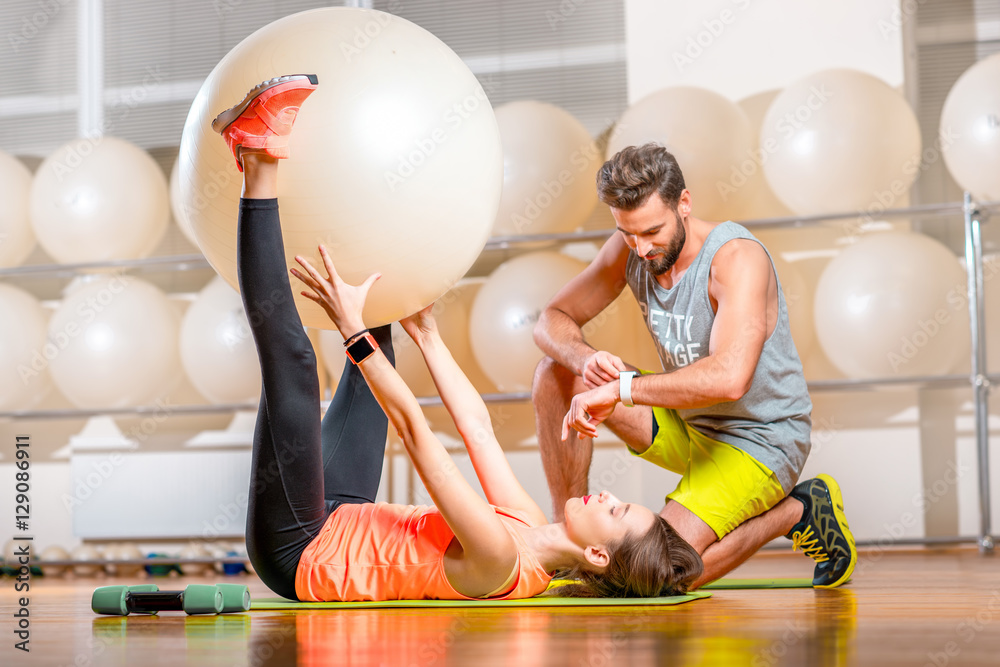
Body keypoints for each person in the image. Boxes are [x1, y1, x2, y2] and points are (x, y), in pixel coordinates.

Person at [213, 75, 703, 601]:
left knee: (296, 363)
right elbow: (477, 429)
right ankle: (357, 191)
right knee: (384, 325)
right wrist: (428, 337)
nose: (607, 495)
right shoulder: (529, 521)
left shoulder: (499, 560)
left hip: (300, 549)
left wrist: (352, 334)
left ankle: (257, 158)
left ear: (598, 556)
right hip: (341, 514)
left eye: (615, 510)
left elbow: (420, 436)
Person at [532, 143, 857, 589]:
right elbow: (551, 320)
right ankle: (568, 545)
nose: (641, 248)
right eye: (628, 234)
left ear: (683, 204)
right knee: (556, 373)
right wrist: (586, 361)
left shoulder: (736, 259)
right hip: (688, 424)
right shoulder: (629, 247)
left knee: (657, 575)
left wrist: (621, 390)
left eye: (652, 231)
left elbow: (729, 379)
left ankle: (797, 510)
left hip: (759, 440)